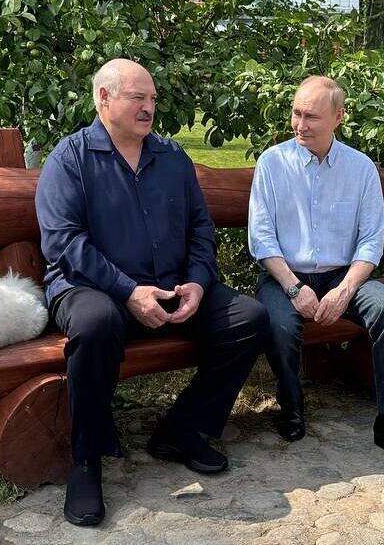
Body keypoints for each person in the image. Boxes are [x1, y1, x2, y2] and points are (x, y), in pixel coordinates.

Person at [36, 58, 269, 526]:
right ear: (104, 98)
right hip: (91, 288)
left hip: (171, 285)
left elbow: (201, 228)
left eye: (153, 99)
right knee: (95, 325)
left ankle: (182, 429)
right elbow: (63, 242)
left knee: (249, 318)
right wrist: (128, 291)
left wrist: (198, 283)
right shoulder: (71, 158)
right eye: (137, 97)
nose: (149, 108)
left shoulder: (171, 157)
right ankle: (87, 461)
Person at [247, 75, 384, 466]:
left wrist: (345, 290)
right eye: (296, 113)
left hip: (342, 276)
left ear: (338, 117)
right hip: (283, 275)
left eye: (311, 116)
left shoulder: (360, 169)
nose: (300, 125)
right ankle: (291, 405)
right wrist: (294, 288)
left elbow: (370, 243)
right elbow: (262, 240)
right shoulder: (272, 163)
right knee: (279, 324)